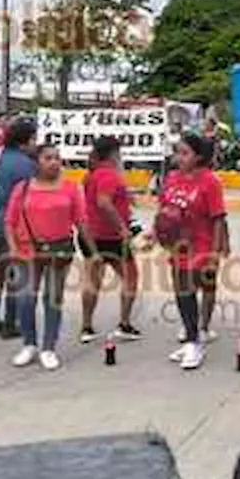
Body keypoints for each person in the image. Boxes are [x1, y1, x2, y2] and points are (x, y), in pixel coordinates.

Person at [6, 145, 91, 372]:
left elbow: (81, 221)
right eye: (48, 158)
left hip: (58, 251)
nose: (54, 162)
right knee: (25, 299)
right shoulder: (22, 189)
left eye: (57, 158)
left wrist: (92, 251)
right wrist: (13, 248)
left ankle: (48, 347)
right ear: (36, 162)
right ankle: (29, 344)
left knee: (52, 300)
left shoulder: (71, 188)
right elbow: (9, 221)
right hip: (26, 252)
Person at [157, 134, 228, 371]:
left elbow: (218, 219)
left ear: (198, 156)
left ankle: (194, 341)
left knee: (191, 291)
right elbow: (164, 211)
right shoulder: (171, 178)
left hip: (201, 246)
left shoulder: (210, 182)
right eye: (178, 152)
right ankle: (191, 338)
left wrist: (215, 253)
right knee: (181, 294)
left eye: (185, 153)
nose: (179, 157)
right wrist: (154, 233)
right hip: (178, 247)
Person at [0, 116, 37, 338]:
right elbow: (30, 200)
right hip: (11, 225)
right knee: (16, 273)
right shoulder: (26, 165)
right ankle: (11, 323)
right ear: (26, 140)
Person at [80, 135, 141, 342]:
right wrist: (122, 228)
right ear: (114, 153)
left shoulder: (92, 174)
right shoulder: (109, 174)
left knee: (92, 280)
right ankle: (124, 323)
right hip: (111, 236)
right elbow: (104, 202)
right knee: (130, 277)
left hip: (91, 233)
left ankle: (87, 326)